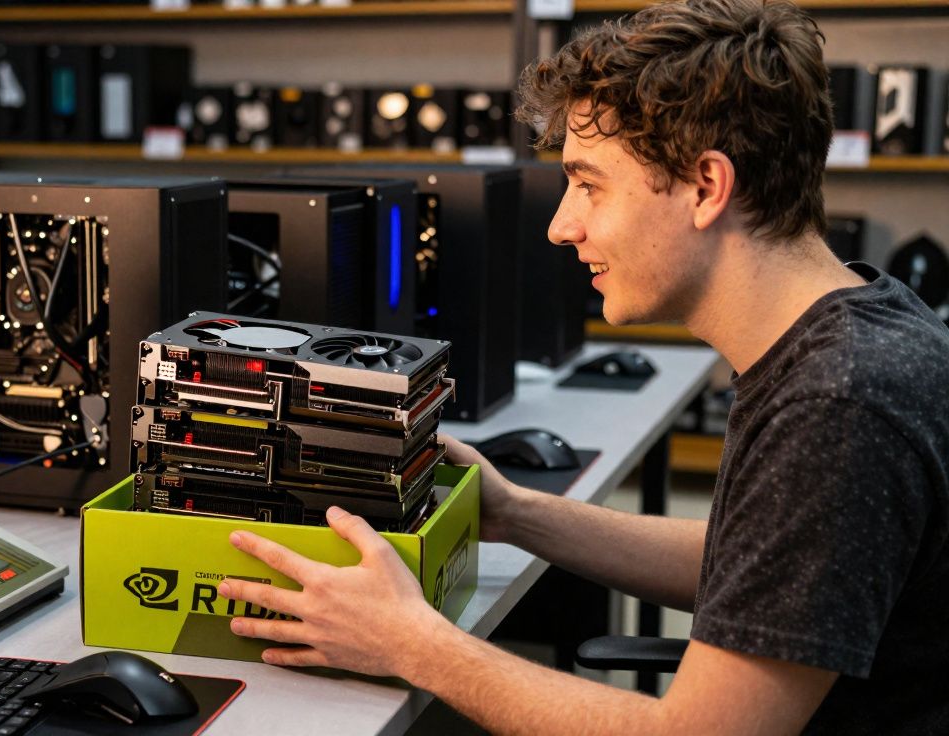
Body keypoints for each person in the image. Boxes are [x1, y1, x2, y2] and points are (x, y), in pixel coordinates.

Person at [216, 0, 949, 732]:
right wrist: (514, 512)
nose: (562, 226)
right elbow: (768, 564)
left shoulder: (837, 403)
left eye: (590, 184)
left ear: (706, 186)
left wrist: (411, 643)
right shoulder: (862, 325)